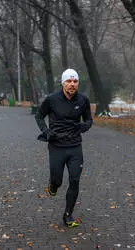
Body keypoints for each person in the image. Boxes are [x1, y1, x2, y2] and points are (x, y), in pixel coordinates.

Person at [35, 68, 93, 228]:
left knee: (74, 180)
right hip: (56, 146)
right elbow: (39, 115)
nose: (72, 84)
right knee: (57, 180)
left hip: (75, 146)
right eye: (68, 81)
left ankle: (68, 214)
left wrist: (84, 127)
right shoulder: (52, 100)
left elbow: (89, 120)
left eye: (75, 81)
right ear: (63, 83)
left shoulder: (83, 100)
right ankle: (53, 185)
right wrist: (46, 131)